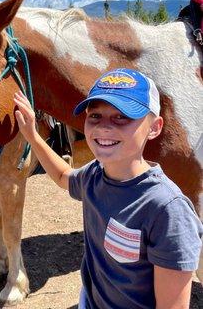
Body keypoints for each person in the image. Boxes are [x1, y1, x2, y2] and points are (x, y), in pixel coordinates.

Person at [13, 68, 203, 309]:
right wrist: (32, 135)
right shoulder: (95, 174)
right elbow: (63, 176)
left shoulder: (167, 210)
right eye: (95, 116)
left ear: (154, 127)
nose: (104, 127)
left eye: (121, 117)